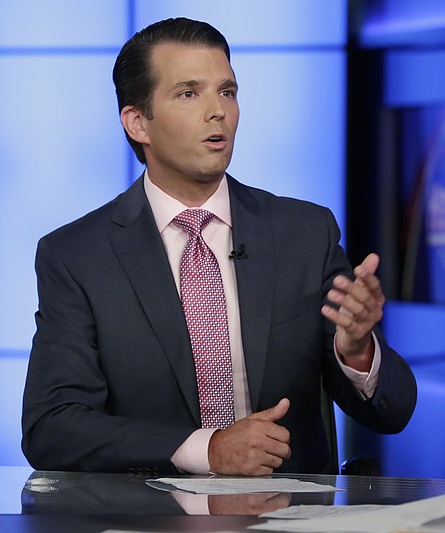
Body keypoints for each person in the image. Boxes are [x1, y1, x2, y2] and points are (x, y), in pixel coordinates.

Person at [21, 17, 417, 476]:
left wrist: (357, 349)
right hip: (148, 523)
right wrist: (204, 449)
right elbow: (52, 427)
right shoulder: (76, 256)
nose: (218, 111)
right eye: (189, 93)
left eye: (227, 92)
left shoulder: (305, 233)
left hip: (290, 518)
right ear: (137, 122)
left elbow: (393, 412)